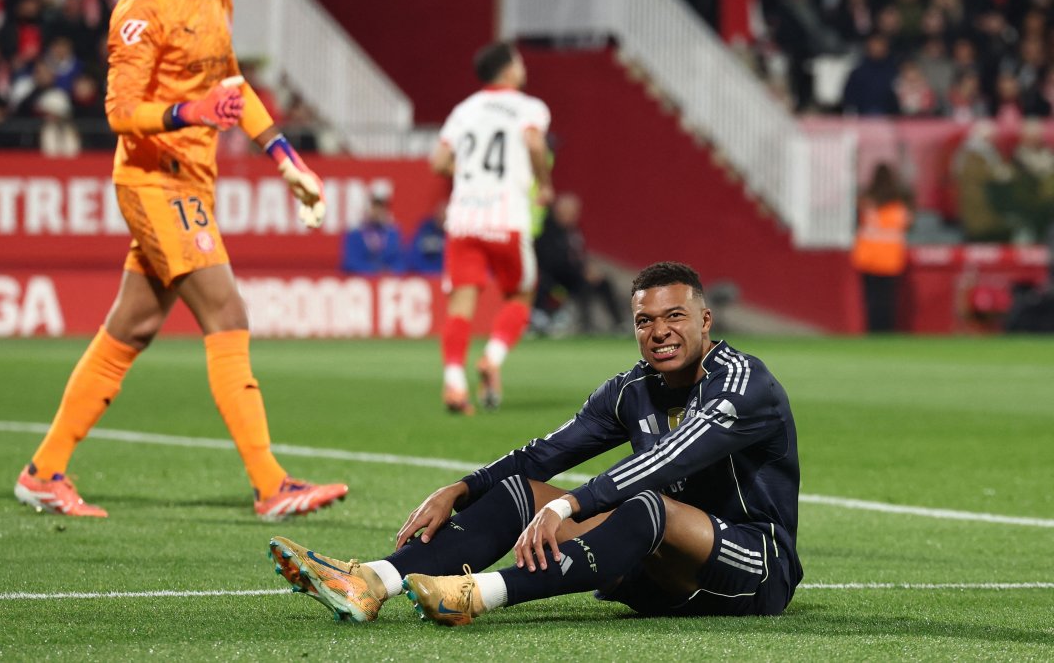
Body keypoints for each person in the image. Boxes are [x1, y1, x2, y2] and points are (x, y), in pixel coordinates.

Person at [269, 262, 802, 625]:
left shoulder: (744, 384)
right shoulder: (631, 390)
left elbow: (669, 459)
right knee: (523, 491)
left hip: (753, 569)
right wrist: (464, 487)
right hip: (659, 573)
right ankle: (374, 581)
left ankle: (479, 594)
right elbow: (544, 453)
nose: (659, 331)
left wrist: (571, 504)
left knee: (647, 503)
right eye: (645, 321)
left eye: (674, 317)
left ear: (705, 321)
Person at [13, 0, 347, 520]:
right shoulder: (143, 7)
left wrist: (287, 159)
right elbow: (121, 112)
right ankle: (271, 485)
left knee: (132, 327)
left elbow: (232, 86)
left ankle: (43, 472)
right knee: (227, 312)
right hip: (155, 181)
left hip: (191, 181)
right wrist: (194, 111)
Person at [430, 41, 553, 414]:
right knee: (521, 296)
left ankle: (454, 383)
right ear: (509, 69)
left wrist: (468, 175)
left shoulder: (464, 110)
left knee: (460, 305)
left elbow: (438, 161)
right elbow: (533, 142)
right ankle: (492, 358)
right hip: (506, 217)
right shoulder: (529, 107)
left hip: (465, 218)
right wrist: (544, 183)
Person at [533, 193, 626, 335]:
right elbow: (554, 261)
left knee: (604, 283)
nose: (573, 216)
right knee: (584, 286)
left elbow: (578, 254)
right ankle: (586, 325)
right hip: (556, 278)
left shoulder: (573, 230)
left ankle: (619, 324)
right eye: (569, 212)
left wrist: (588, 267)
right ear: (558, 211)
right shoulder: (547, 231)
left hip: (575, 275)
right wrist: (581, 271)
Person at [851, 163, 913, 332]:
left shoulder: (867, 202)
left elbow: (857, 222)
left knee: (871, 299)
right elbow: (907, 224)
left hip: (868, 256)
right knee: (887, 299)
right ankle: (886, 331)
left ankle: (873, 329)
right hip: (890, 258)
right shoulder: (898, 204)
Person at [340, 191, 406, 274]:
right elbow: (350, 262)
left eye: (381, 208)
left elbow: (400, 261)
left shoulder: (392, 233)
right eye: (374, 208)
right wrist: (373, 270)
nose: (377, 212)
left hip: (387, 280)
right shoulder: (355, 234)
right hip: (361, 280)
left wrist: (390, 271)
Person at [405, 200, 447, 275]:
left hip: (445, 275)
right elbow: (414, 255)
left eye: (445, 215)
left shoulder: (455, 234)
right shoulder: (425, 229)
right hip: (424, 276)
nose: (442, 217)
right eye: (441, 213)